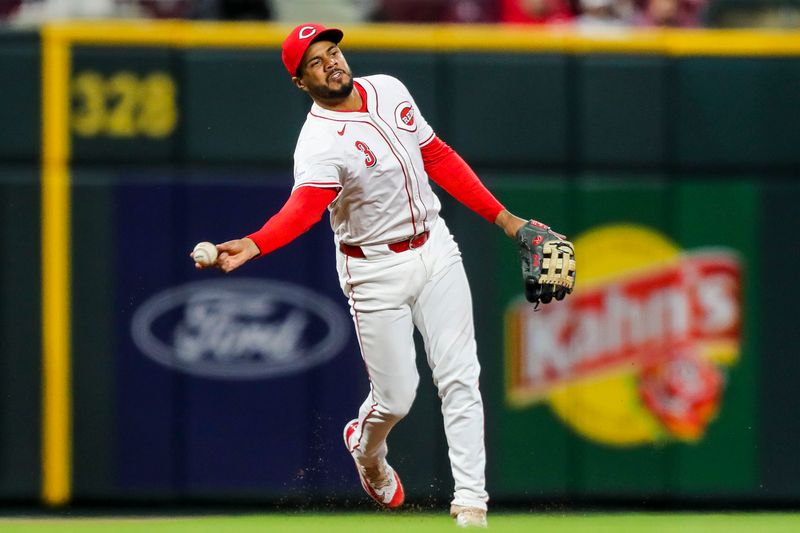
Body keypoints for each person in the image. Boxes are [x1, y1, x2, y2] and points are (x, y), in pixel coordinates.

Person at [193, 23, 542, 528]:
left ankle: (471, 506)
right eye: (315, 61)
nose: (331, 62)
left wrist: (507, 221)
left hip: (436, 247)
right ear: (300, 82)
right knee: (398, 397)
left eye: (332, 51)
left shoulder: (388, 88)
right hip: (373, 268)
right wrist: (255, 242)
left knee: (461, 377)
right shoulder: (318, 142)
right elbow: (304, 208)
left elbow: (437, 156)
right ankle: (366, 447)